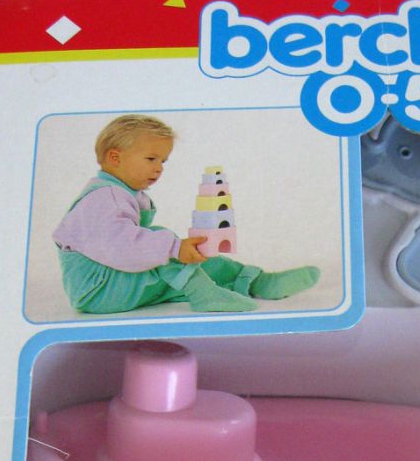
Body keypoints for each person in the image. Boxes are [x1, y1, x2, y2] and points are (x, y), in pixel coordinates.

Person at [52, 114, 320, 314]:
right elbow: (120, 246)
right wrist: (173, 248)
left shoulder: (123, 193)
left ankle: (257, 282)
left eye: (163, 161)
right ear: (115, 158)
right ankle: (205, 295)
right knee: (162, 242)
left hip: (116, 282)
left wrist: (179, 250)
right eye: (151, 159)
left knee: (193, 255)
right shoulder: (105, 197)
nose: (159, 168)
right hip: (99, 291)